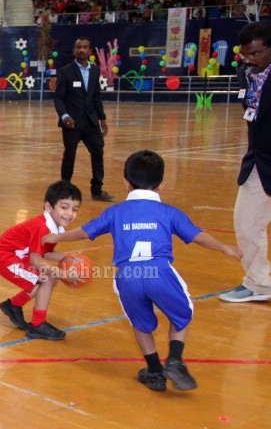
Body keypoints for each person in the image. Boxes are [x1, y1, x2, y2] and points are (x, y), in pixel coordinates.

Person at [43, 151, 241, 392]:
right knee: (181, 313)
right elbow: (198, 236)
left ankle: (155, 372)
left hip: (127, 277)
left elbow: (84, 232)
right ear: (161, 185)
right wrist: (224, 248)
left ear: (126, 182)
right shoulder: (169, 212)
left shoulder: (115, 212)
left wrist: (58, 236)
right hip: (159, 272)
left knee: (140, 324)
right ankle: (175, 358)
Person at [221, 21, 271, 303]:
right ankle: (259, 283)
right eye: (245, 54)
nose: (250, 60)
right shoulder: (245, 74)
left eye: (257, 53)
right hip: (258, 160)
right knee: (246, 221)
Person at [0, 180, 82, 341]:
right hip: (6, 258)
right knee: (48, 278)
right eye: (64, 207)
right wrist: (63, 273)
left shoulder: (56, 228)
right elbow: (36, 260)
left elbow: (44, 252)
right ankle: (38, 325)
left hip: (20, 256)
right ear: (48, 207)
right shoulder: (42, 227)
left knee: (49, 279)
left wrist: (66, 257)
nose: (70, 213)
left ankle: (14, 305)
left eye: (75, 209)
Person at [54, 37, 115, 202]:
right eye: (78, 47)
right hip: (71, 123)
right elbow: (58, 98)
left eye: (85, 47)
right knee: (69, 156)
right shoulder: (65, 71)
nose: (81, 50)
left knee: (98, 152)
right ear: (74, 50)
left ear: (90, 51)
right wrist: (65, 116)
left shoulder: (95, 71)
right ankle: (64, 190)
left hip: (90, 122)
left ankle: (97, 190)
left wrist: (102, 118)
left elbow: (96, 96)